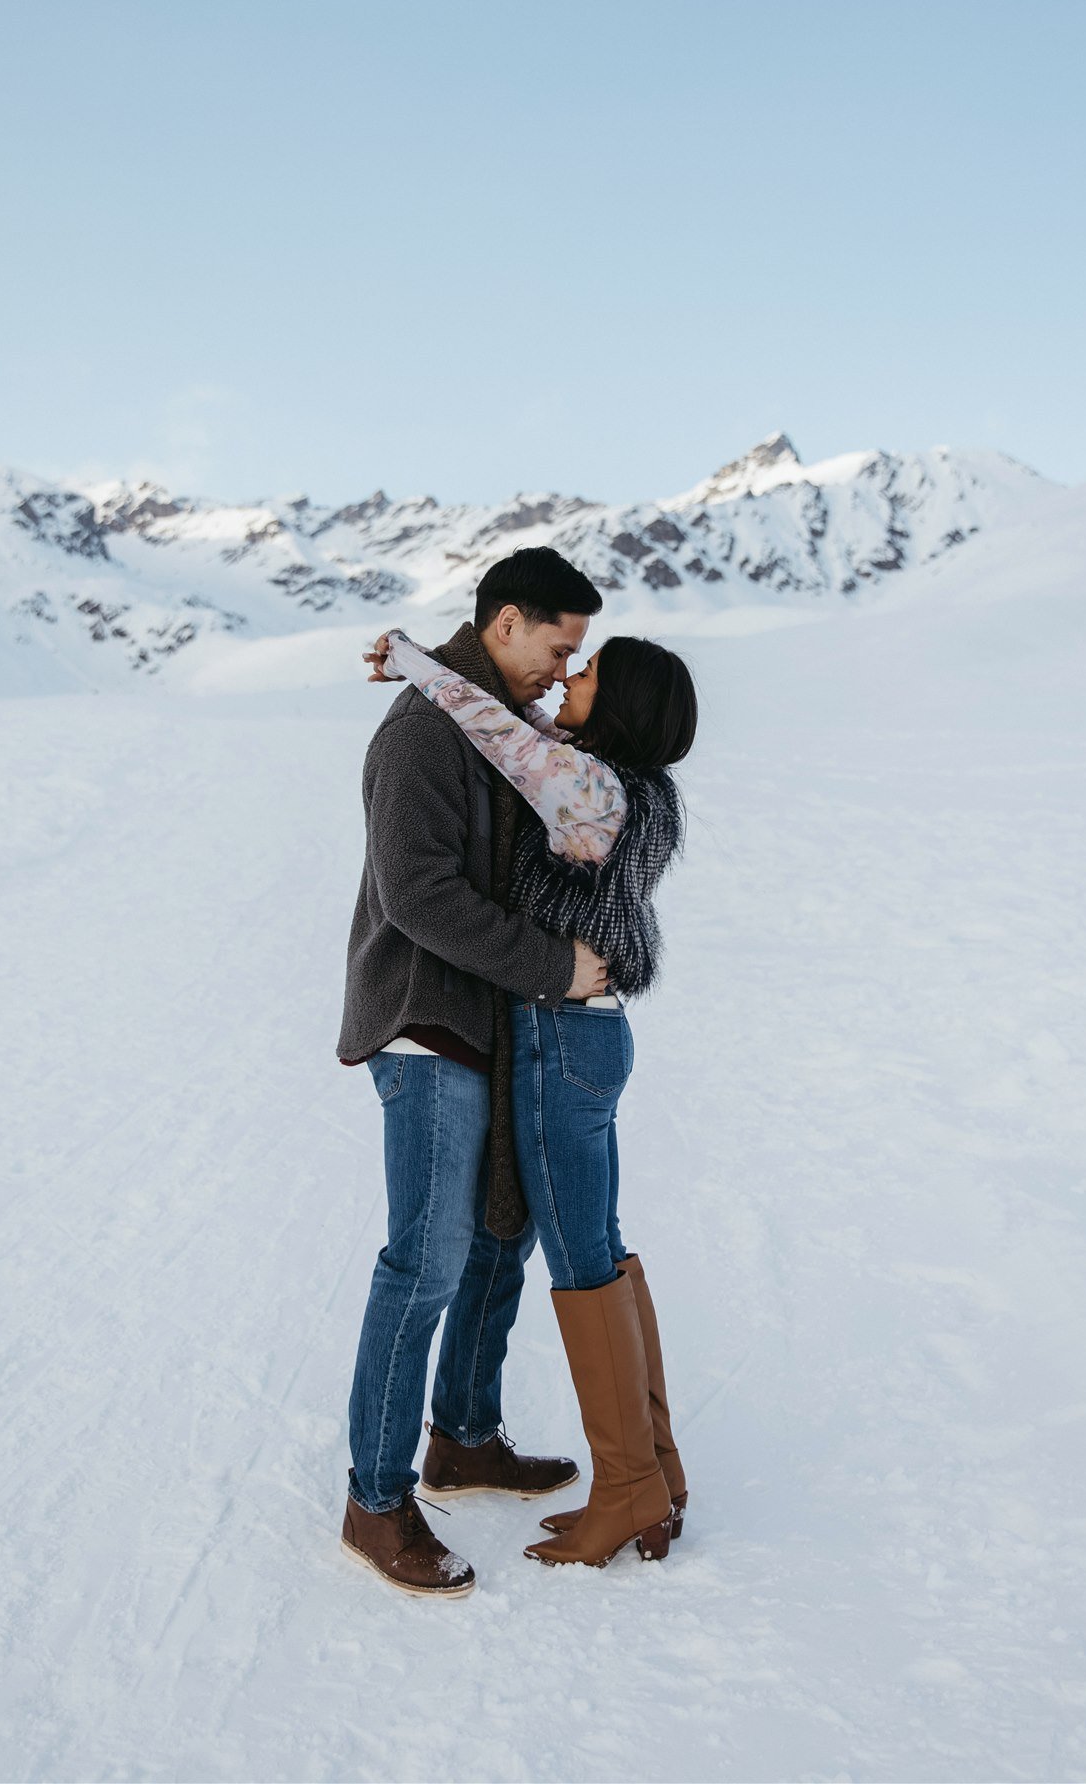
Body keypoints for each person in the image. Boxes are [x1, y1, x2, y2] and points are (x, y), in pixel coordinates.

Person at [364, 603, 697, 1572]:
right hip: (579, 1037)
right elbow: (519, 731)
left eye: (587, 669)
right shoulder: (624, 783)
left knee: (584, 1260)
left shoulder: (590, 786)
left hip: (560, 1035)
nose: (567, 679)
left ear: (620, 705)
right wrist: (420, 665)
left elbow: (503, 734)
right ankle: (656, 1472)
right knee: (599, 1249)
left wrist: (418, 666)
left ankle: (630, 1484)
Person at [334, 548, 613, 1598]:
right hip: (427, 1018)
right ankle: (374, 1499)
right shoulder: (420, 733)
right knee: (428, 1258)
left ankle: (465, 1435)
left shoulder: (492, 722)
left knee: (504, 1234)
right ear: (504, 622)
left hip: (493, 1018)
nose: (561, 665)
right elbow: (416, 893)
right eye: (557, 643)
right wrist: (555, 965)